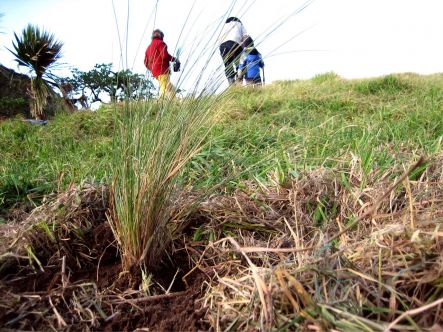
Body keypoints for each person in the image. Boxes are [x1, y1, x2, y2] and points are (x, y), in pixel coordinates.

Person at [144, 29, 180, 98]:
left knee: (169, 87)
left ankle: (175, 102)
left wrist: (152, 69)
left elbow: (145, 62)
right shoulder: (161, 43)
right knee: (164, 88)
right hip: (162, 70)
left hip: (155, 72)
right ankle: (160, 103)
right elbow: (165, 56)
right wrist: (175, 59)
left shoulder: (148, 47)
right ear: (161, 36)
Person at [219, 17, 248, 85]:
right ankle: (239, 84)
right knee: (239, 65)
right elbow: (245, 37)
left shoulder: (224, 25)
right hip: (235, 44)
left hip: (222, 46)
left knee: (228, 66)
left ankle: (231, 84)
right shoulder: (240, 24)